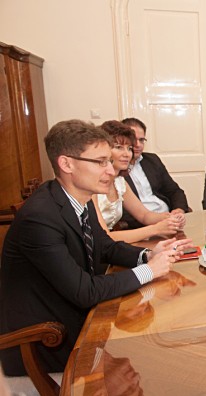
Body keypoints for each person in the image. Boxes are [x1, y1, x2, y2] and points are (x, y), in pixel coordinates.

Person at [0, 120, 192, 376]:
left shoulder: (80, 198)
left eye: (109, 161)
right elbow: (85, 292)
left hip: (76, 319)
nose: (111, 171)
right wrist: (150, 270)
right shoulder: (40, 217)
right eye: (101, 162)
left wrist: (148, 254)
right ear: (67, 164)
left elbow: (105, 246)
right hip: (45, 343)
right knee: (158, 361)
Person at [93, 120, 185, 243]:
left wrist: (171, 217)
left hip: (112, 246)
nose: (127, 154)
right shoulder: (91, 186)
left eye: (129, 148)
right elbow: (104, 237)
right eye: (119, 147)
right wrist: (155, 229)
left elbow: (144, 215)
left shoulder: (119, 182)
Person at [120, 117, 190, 228]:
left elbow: (174, 191)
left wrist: (178, 210)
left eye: (142, 140)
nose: (138, 144)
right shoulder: (116, 171)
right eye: (133, 140)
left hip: (168, 218)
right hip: (139, 226)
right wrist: (160, 222)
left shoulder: (152, 160)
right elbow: (124, 212)